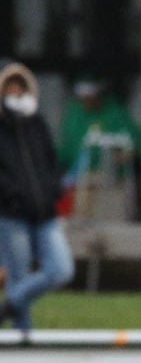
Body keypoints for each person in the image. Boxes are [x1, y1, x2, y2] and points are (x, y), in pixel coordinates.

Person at [0, 59, 75, 329]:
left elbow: (51, 163)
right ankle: (23, 340)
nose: (16, 94)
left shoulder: (37, 123)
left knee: (61, 269)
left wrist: (52, 190)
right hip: (12, 215)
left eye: (20, 88)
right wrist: (13, 195)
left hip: (45, 213)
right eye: (10, 89)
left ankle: (8, 306)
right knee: (18, 275)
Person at [56, 72, 141, 221]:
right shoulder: (74, 112)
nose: (87, 100)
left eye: (90, 95)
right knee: (82, 219)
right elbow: (66, 150)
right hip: (82, 180)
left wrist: (127, 153)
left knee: (116, 219)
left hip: (115, 180)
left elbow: (134, 141)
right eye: (83, 96)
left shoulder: (114, 110)